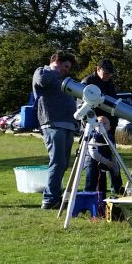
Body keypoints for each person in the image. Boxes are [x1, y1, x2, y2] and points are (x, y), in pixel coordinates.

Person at [32, 50, 78, 209]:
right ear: (56, 62)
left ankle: (55, 193)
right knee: (57, 162)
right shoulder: (42, 71)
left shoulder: (64, 79)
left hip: (68, 124)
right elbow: (41, 81)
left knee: (63, 163)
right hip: (52, 123)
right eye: (65, 66)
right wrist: (54, 70)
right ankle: (50, 199)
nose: (67, 70)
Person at [81, 59, 123, 198]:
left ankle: (117, 188)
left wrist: (111, 124)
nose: (107, 76)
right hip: (93, 128)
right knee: (92, 162)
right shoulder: (87, 83)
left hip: (108, 127)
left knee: (113, 158)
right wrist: (94, 121)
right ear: (97, 69)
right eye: (105, 73)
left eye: (109, 73)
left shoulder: (109, 83)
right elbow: (82, 107)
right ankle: (90, 192)